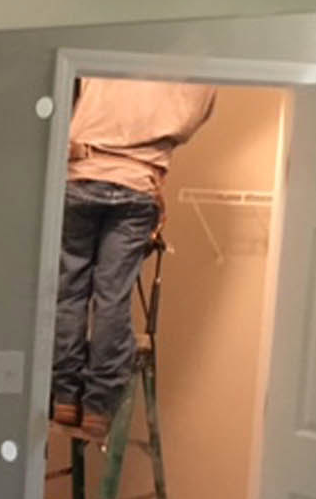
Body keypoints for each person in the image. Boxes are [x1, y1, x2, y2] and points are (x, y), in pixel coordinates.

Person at [52, 77, 216, 441]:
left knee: (71, 289)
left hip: (81, 173)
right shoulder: (193, 67)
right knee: (113, 295)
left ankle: (66, 396)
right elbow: (190, 121)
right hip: (138, 183)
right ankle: (96, 407)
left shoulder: (110, 45)